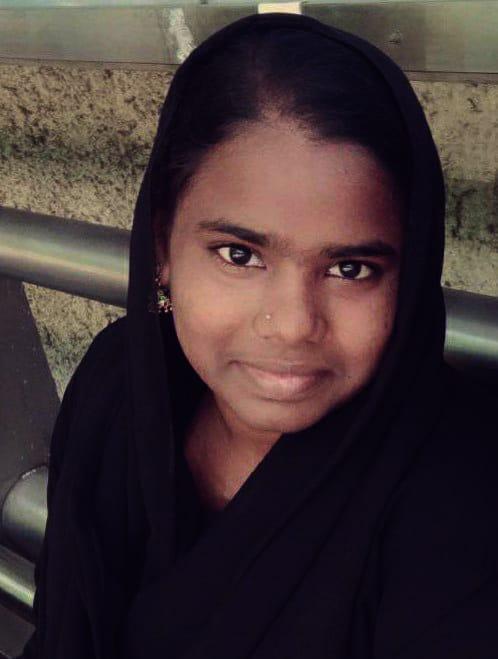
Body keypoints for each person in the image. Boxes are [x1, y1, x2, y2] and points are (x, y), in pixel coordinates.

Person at [18, 11, 498, 659]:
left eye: (351, 268)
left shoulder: (465, 498)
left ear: (409, 278)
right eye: (240, 255)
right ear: (162, 244)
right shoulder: (117, 387)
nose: (294, 324)